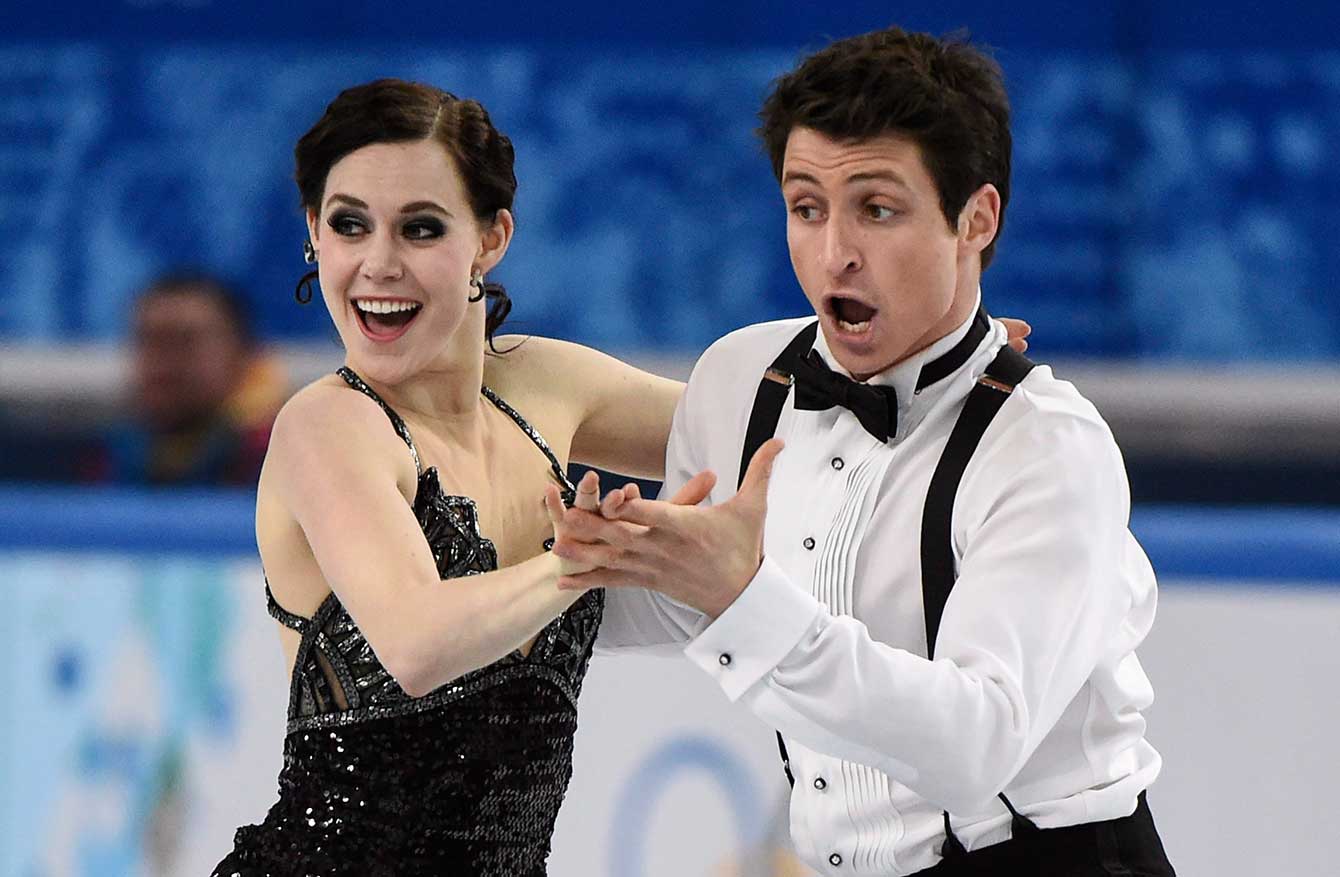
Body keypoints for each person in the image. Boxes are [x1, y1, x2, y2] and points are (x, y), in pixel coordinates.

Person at [551, 27, 1176, 876]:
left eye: (876, 209)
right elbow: (689, 594)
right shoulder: (744, 378)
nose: (834, 251)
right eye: (806, 207)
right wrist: (579, 572)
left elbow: (972, 744)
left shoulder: (1048, 447)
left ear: (975, 219)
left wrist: (739, 594)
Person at [211, 79, 684, 875]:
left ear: (491, 237)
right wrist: (577, 564)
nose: (377, 264)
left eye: (421, 228)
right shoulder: (328, 426)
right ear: (313, 237)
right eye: (348, 225)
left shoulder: (544, 388)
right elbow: (417, 642)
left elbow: (759, 420)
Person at [97, 272, 287, 486]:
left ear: (244, 355)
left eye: (186, 341)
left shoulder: (284, 462)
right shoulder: (99, 462)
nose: (163, 361)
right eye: (149, 341)